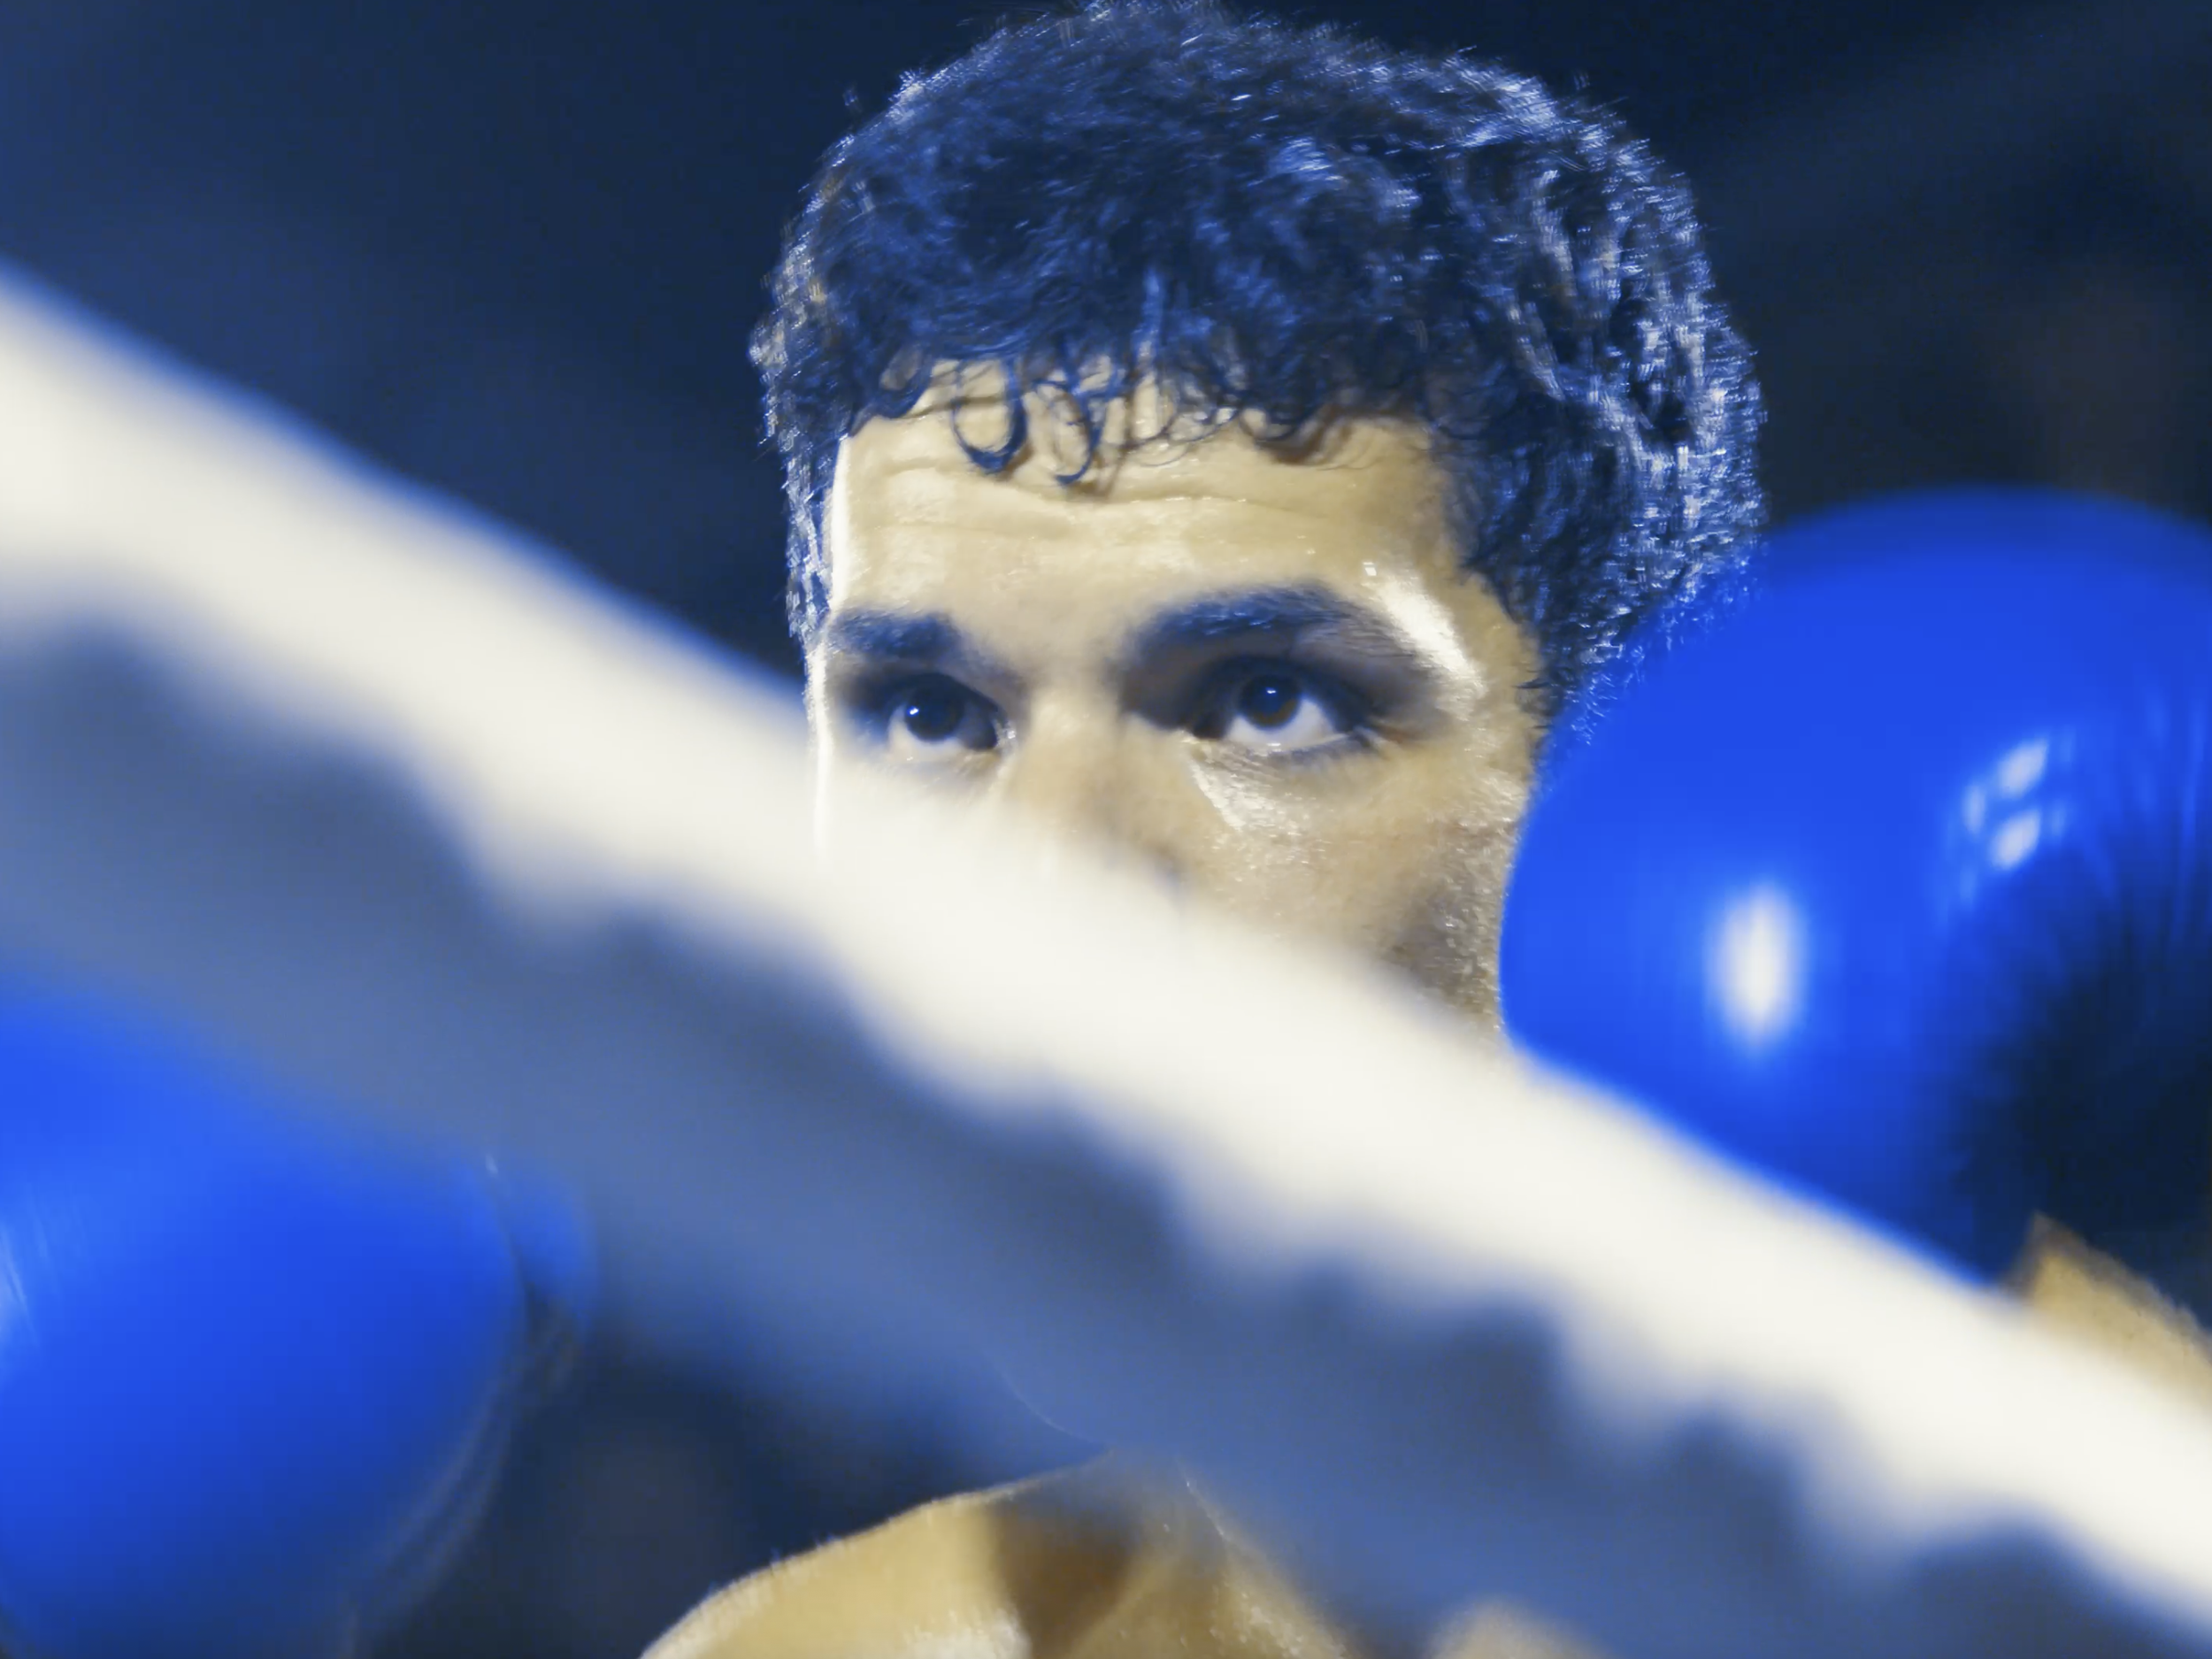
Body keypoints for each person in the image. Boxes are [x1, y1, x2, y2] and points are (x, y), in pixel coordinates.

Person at [649, 6, 2212, 1656]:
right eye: (928, 715)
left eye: (1264, 700)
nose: (1045, 880)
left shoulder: (2112, 1566)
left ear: (1626, 785)